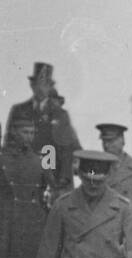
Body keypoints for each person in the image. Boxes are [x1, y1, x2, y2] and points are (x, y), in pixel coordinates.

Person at [0, 105, 49, 258]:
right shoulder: (3, 159)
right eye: (23, 131)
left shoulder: (39, 162)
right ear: (14, 132)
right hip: (7, 220)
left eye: (31, 132)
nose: (28, 136)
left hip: (31, 222)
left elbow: (45, 192)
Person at [6, 62, 80, 198]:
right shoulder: (18, 110)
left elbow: (67, 150)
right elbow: (9, 145)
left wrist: (62, 182)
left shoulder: (61, 115)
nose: (41, 88)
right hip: (25, 176)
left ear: (50, 87)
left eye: (46, 84)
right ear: (32, 85)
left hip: (54, 179)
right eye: (39, 83)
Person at [98, 124, 132, 202]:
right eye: (104, 141)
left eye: (111, 141)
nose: (106, 145)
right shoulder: (97, 169)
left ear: (122, 140)